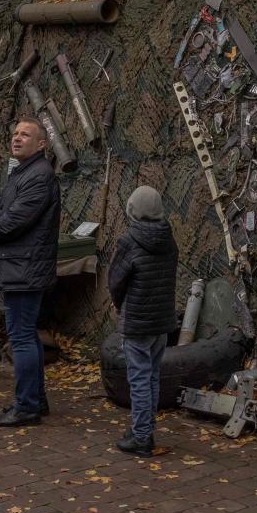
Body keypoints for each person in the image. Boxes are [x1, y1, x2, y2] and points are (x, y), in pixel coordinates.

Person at [0, 117, 60, 428]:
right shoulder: (25, 172)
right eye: (15, 133)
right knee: (27, 335)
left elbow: (15, 220)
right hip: (19, 265)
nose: (17, 138)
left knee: (21, 337)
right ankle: (35, 399)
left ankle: (26, 406)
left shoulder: (38, 176)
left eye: (25, 134)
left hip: (23, 269)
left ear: (41, 144)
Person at [107, 185, 178, 457]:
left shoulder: (129, 242)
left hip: (137, 321)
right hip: (162, 321)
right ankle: (144, 428)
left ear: (131, 209)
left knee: (138, 378)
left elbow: (116, 280)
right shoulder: (169, 239)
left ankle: (140, 436)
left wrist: (118, 304)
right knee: (152, 377)